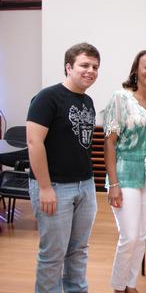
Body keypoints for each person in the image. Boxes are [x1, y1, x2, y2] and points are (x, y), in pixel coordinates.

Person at [26, 42, 101, 293]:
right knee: (53, 255)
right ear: (69, 67)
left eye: (95, 67)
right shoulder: (48, 97)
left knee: (78, 250)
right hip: (55, 187)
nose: (90, 70)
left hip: (85, 185)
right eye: (84, 65)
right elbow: (34, 142)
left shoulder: (87, 101)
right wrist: (45, 188)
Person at [104, 50, 146, 293]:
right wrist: (113, 183)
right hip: (126, 171)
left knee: (142, 234)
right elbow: (109, 142)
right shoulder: (120, 98)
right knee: (128, 236)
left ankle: (131, 284)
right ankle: (119, 287)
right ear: (136, 70)